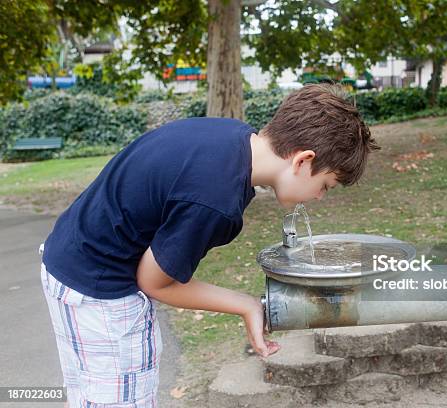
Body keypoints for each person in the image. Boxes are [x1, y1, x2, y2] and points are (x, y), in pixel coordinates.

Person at [39, 83, 380, 407]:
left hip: (64, 259)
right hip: (100, 295)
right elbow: (155, 282)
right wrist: (247, 305)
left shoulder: (232, 135)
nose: (319, 197)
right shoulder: (217, 202)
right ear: (303, 161)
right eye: (326, 185)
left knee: (89, 393)